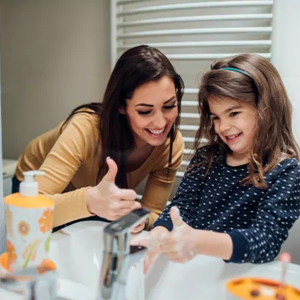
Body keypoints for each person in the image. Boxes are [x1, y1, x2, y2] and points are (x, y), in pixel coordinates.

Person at [132, 53, 300, 267]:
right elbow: (183, 207)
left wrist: (198, 241)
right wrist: (158, 233)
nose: (223, 127)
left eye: (234, 113)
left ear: (265, 109)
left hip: (237, 278)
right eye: (216, 118)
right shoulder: (206, 158)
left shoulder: (285, 171)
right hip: (194, 269)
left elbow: (265, 241)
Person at [13, 45, 185, 232]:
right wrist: (89, 202)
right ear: (121, 107)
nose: (160, 123)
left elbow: (154, 212)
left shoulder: (171, 145)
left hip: (93, 198)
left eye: (169, 106)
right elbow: (30, 210)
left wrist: (139, 219)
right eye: (145, 111)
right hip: (32, 188)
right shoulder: (86, 128)